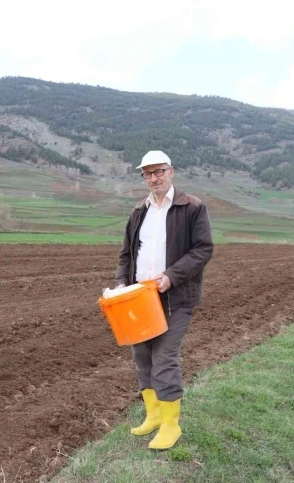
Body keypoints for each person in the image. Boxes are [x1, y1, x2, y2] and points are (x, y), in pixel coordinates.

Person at [114, 150, 213, 449]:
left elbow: (203, 249)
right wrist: (121, 284)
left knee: (164, 358)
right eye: (147, 174)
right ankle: (154, 415)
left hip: (176, 297)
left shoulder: (192, 207)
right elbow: (126, 255)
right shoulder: (138, 211)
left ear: (171, 171)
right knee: (142, 356)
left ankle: (172, 425)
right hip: (139, 299)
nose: (153, 178)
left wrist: (172, 275)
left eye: (158, 172)